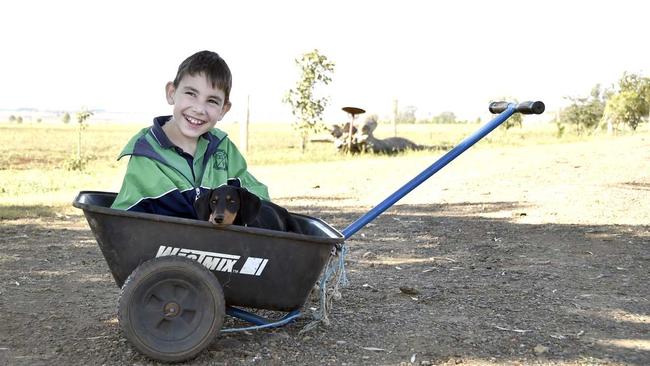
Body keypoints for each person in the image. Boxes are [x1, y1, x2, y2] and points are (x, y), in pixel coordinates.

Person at [111, 50, 269, 219]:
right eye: (191, 94)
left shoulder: (222, 148)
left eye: (212, 101)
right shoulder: (147, 153)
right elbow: (126, 218)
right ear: (171, 93)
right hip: (166, 242)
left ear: (223, 110)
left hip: (219, 244)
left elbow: (258, 199)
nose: (199, 109)